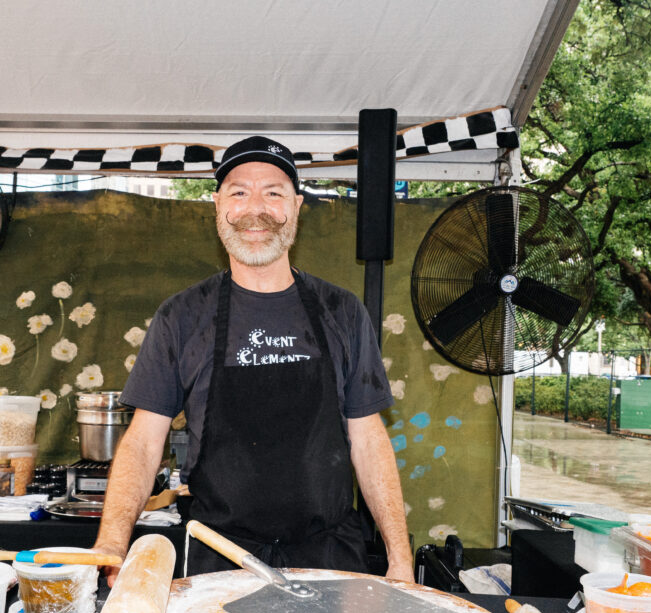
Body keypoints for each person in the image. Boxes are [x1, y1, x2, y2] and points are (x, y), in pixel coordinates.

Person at [93, 136, 413, 582]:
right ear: (217, 206)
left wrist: (400, 556)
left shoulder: (342, 311)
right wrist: (112, 542)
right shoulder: (183, 315)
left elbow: (368, 440)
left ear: (297, 206)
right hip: (218, 558)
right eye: (239, 192)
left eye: (274, 193)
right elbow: (145, 442)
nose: (255, 209)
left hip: (328, 560)